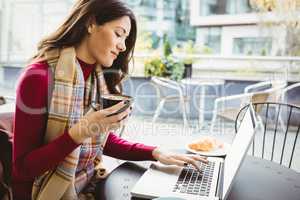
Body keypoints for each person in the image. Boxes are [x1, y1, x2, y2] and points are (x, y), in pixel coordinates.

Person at [12, 0, 207, 199]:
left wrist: (156, 152)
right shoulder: (37, 78)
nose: (123, 47)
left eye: (126, 39)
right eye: (119, 33)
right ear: (91, 23)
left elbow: (102, 141)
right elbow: (22, 169)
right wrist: (79, 132)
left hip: (85, 184)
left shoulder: (96, 77)